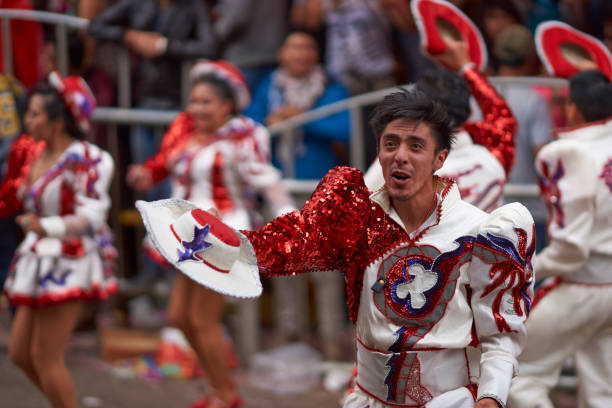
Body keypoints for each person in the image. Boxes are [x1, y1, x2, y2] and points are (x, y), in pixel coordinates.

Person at [143, 86, 535, 407]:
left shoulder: (479, 231)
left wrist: (491, 398)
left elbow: (501, 333)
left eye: (416, 146)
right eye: (390, 143)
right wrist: (221, 240)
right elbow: (288, 246)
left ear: (440, 159)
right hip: (367, 398)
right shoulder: (355, 218)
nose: (400, 155)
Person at [127, 60, 294, 408]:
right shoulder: (185, 132)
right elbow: (163, 163)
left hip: (219, 234)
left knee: (202, 320)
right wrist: (146, 173)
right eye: (195, 100)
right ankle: (218, 389)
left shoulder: (244, 137)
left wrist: (291, 222)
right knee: (179, 317)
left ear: (227, 104)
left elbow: (269, 181)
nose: (197, 108)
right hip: (186, 229)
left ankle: (227, 395)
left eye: (207, 102)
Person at [1, 72, 116, 408]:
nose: (28, 120)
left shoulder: (89, 159)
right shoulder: (32, 152)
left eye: (36, 114)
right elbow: (12, 197)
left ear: (57, 122)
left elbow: (92, 217)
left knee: (45, 357)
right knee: (20, 353)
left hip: (69, 258)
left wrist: (47, 227)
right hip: (36, 258)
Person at [508, 70, 612, 408]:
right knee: (602, 390)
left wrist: (530, 267)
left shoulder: (569, 151)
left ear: (573, 108)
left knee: (515, 374)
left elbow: (571, 247)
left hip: (582, 286)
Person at [365, 38, 517, 213]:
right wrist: (467, 67)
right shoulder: (492, 157)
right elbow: (502, 115)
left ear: (418, 113)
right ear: (467, 112)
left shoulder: (400, 161)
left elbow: (360, 206)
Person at [493, 24, 553, 250]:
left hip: (489, 209)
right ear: (530, 58)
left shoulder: (477, 95)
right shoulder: (534, 100)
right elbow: (543, 158)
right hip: (529, 213)